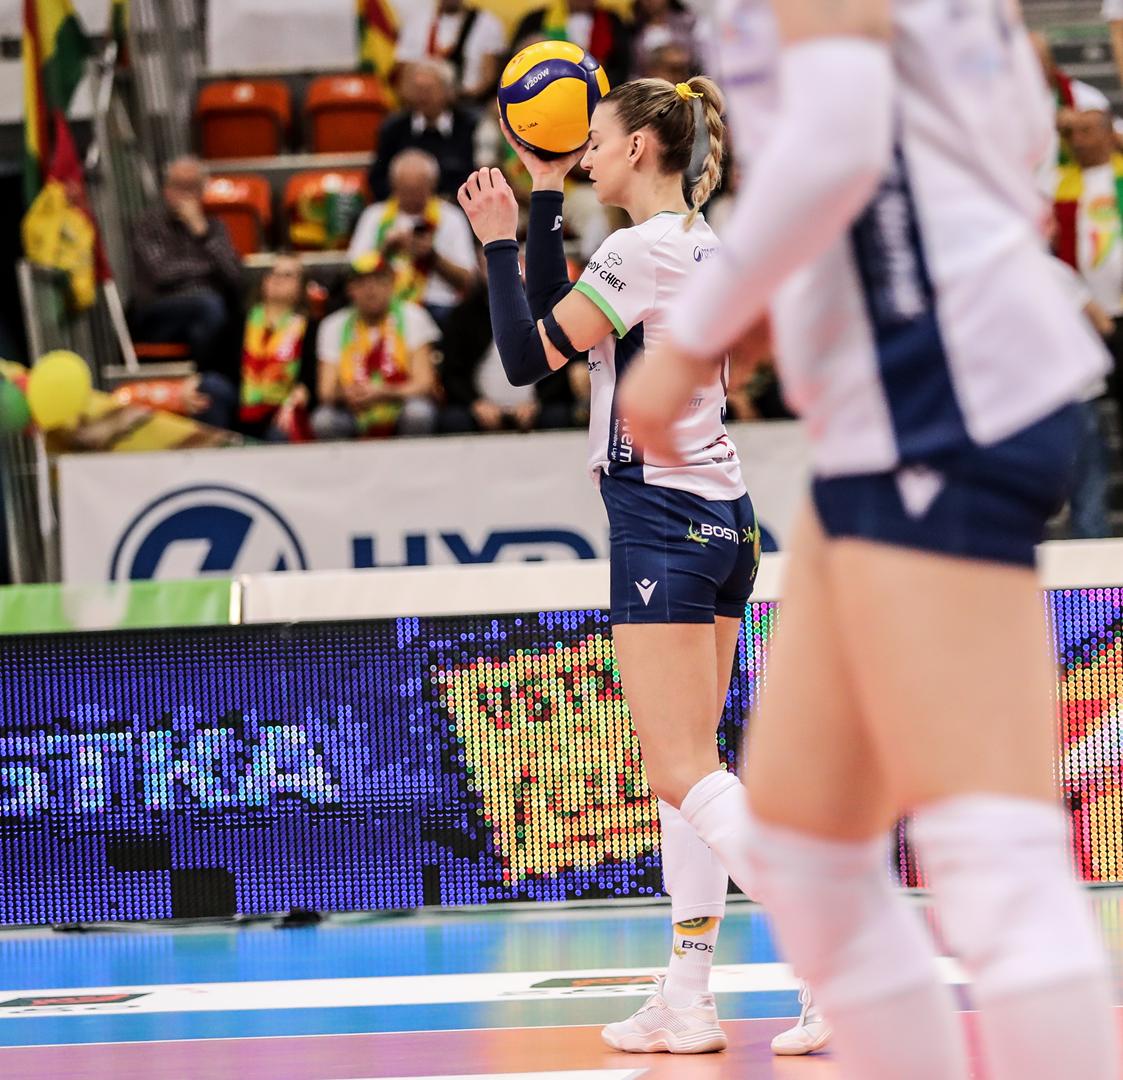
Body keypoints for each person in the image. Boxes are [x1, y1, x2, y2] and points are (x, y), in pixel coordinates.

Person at [617, 0, 1118, 1077]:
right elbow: (962, 139)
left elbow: (841, 139)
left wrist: (693, 339)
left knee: (991, 853)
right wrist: (803, 296)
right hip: (897, 402)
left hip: (938, 393)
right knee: (806, 841)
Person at [456, 76, 820, 1056]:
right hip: (724, 518)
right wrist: (540, 194)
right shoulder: (697, 243)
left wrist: (496, 240)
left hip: (660, 517)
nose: (583, 153)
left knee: (680, 767)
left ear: (638, 149)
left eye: (596, 141)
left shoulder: (635, 250)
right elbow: (562, 319)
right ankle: (687, 997)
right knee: (689, 773)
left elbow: (525, 358)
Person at [129, 156, 244, 388]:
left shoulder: (213, 228)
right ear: (166, 189)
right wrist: (209, 267)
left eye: (191, 187)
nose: (184, 194)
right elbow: (162, 273)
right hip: (159, 313)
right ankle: (207, 381)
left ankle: (211, 388)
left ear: (202, 192)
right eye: (178, 186)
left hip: (207, 315)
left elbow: (235, 275)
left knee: (217, 319)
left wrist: (201, 233)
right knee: (210, 306)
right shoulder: (148, 225)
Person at [438, 261, 584, 433]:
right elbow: (452, 373)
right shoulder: (463, 314)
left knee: (558, 416)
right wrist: (475, 403)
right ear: (478, 266)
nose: (498, 274)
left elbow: (559, 364)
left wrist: (538, 402)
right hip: (480, 407)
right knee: (454, 420)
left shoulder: (541, 307)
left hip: (535, 405)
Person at [311, 253, 440, 439]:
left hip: (400, 404)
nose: (370, 289)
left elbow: (424, 383)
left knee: (419, 413)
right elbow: (326, 391)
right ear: (349, 289)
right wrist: (347, 394)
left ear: (391, 284)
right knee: (324, 420)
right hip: (353, 410)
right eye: (361, 282)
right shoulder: (333, 325)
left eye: (378, 280)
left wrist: (383, 392)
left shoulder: (413, 316)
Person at [349, 149, 477, 327]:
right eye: (405, 190)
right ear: (393, 185)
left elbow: (469, 282)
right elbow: (354, 272)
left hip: (438, 305)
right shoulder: (374, 216)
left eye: (418, 190)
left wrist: (432, 257)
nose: (411, 197)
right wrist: (385, 250)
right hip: (385, 307)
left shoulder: (452, 217)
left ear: (432, 185)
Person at [368, 60, 478, 201]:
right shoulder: (394, 128)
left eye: (429, 89)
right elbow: (378, 177)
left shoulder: (469, 126)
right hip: (404, 207)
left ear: (447, 91)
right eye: (418, 89)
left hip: (458, 206)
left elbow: (475, 173)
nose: (423, 96)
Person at [239, 254, 317, 441]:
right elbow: (217, 364)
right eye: (272, 273)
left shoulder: (311, 327)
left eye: (287, 275)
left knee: (283, 429)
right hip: (241, 406)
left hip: (282, 409)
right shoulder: (240, 321)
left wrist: (294, 402)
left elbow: (310, 379)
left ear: (302, 287)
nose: (277, 279)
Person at [394, 0, 509, 104]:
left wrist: (456, 97)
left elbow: (488, 78)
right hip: (422, 104)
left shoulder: (487, 24)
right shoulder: (416, 23)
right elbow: (405, 76)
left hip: (469, 103)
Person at [512, 0, 632, 90]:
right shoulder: (535, 20)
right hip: (545, 89)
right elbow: (514, 61)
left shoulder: (612, 21)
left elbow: (622, 66)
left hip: (598, 91)